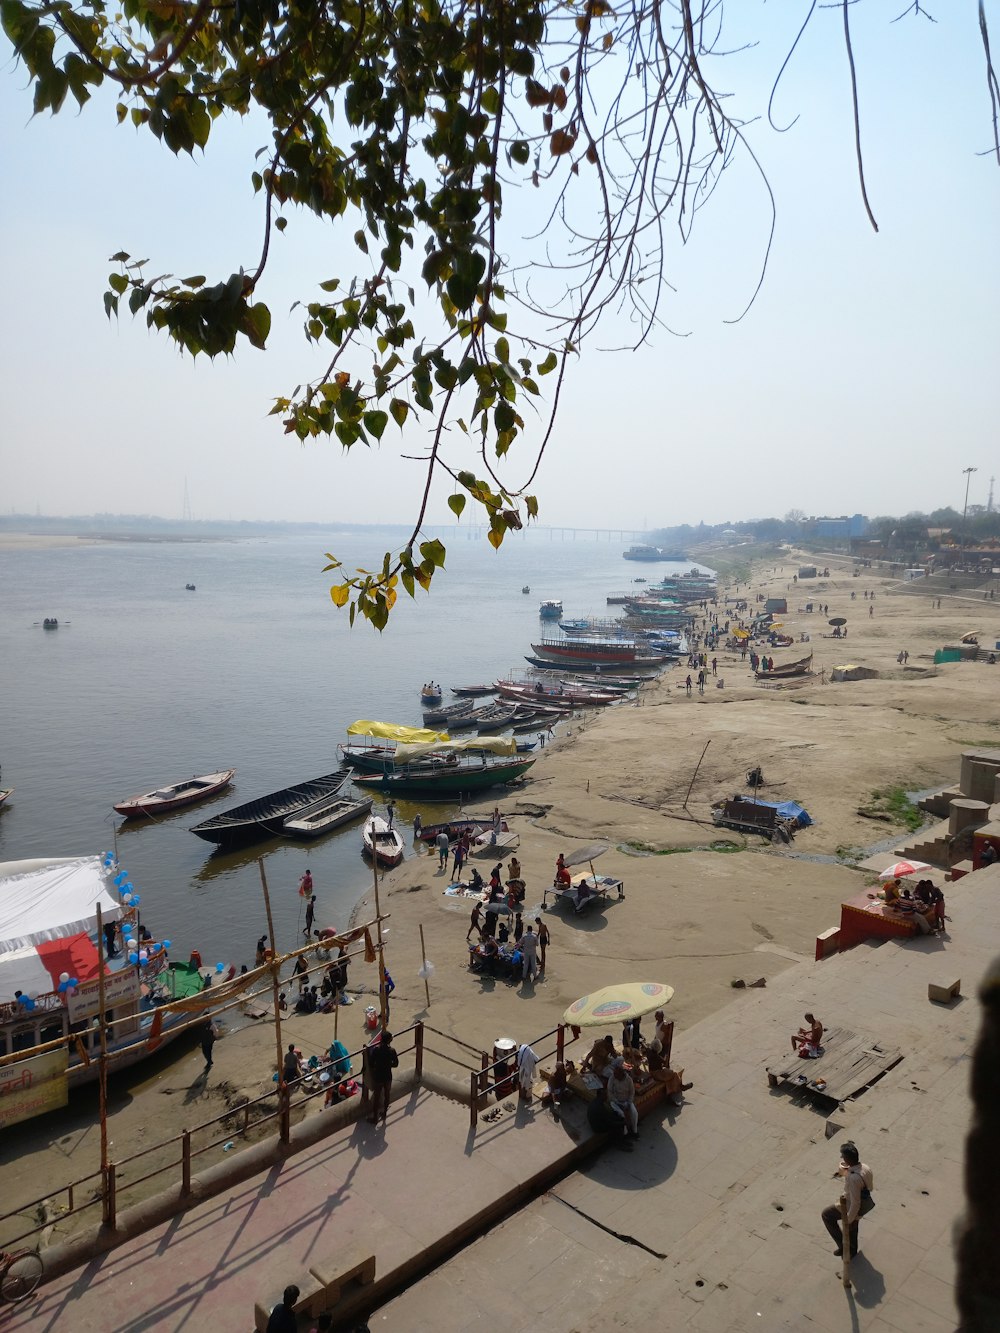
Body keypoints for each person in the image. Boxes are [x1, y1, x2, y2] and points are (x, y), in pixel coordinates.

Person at [821, 1141, 874, 1258]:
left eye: (843, 1157)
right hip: (863, 1202)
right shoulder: (865, 1167)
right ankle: (852, 1252)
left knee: (827, 1215)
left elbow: (855, 1203)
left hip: (850, 1206)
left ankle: (843, 1247)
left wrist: (848, 1219)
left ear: (848, 1159)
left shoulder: (854, 1178)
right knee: (853, 1231)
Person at [368, 1030, 399, 1125]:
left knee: (376, 1097)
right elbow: (396, 1064)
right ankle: (384, 1113)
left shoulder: (376, 1050)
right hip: (387, 1076)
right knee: (387, 1094)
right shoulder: (392, 1051)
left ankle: (375, 1118)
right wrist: (388, 1064)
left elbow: (371, 1063)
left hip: (378, 1076)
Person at [606, 1058, 639, 1138]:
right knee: (621, 1114)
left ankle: (634, 1131)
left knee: (634, 1112)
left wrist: (628, 1102)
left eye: (617, 1075)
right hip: (616, 1101)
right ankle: (625, 1133)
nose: (615, 1076)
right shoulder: (612, 1078)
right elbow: (609, 1092)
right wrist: (616, 1101)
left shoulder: (628, 1080)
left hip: (627, 1100)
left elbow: (632, 1092)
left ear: (621, 1074)